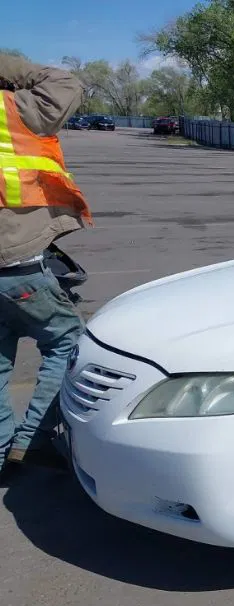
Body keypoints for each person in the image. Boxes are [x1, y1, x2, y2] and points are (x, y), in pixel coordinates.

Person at [0, 55, 92, 482]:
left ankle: (2, 452)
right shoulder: (14, 109)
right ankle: (30, 441)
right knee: (68, 344)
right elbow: (65, 82)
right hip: (17, 260)